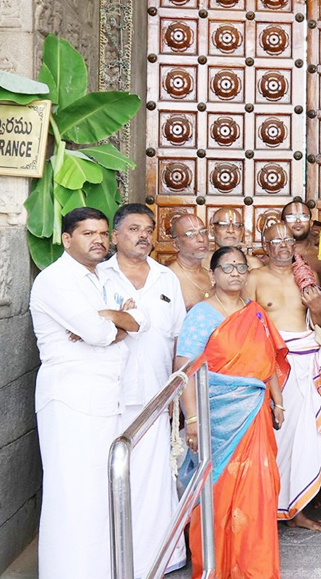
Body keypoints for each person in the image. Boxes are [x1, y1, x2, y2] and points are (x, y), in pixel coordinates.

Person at [30, 207, 146, 579]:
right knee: (72, 497)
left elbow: (137, 320)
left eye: (101, 233)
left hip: (103, 400)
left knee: (99, 497)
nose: (98, 240)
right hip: (71, 401)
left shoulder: (102, 279)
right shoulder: (55, 280)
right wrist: (111, 321)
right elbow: (98, 335)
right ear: (67, 239)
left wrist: (108, 317)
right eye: (87, 234)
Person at [175, 246, 289, 579]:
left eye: (241, 267)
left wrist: (278, 402)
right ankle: (217, 565)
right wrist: (192, 420)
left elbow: (268, 363)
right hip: (215, 419)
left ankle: (253, 567)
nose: (235, 273)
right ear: (213, 274)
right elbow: (185, 370)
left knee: (258, 491)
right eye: (227, 267)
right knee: (217, 491)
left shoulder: (255, 313)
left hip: (254, 415)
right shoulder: (201, 315)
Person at [98, 204, 187, 576]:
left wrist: (176, 397)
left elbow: (178, 338)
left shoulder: (166, 278)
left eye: (148, 229)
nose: (143, 236)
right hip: (107, 396)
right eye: (134, 229)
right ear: (115, 236)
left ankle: (161, 557)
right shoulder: (97, 276)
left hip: (156, 395)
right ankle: (111, 559)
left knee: (154, 479)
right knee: (112, 475)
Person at [246, 222, 321, 530]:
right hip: (273, 366)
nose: (283, 245)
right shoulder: (254, 278)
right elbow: (245, 324)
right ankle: (268, 507)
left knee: (304, 440)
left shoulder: (306, 277)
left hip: (306, 363)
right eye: (276, 241)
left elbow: (320, 321)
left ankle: (297, 511)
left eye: (287, 240)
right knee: (275, 439)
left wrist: (316, 305)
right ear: (266, 247)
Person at [168, 213, 213, 309]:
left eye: (203, 232)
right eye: (191, 234)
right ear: (175, 244)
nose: (201, 239)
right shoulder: (168, 278)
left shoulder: (212, 275)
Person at [281, 199, 321, 282]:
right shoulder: (272, 257)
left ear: (311, 223)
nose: (298, 221)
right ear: (283, 223)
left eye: (303, 217)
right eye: (291, 217)